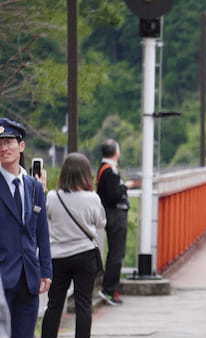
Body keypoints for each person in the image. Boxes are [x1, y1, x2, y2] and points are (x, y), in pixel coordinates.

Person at [41, 153, 106, 338]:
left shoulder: (53, 197)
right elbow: (101, 222)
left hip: (58, 257)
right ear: (86, 174)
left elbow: (47, 220)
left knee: (54, 305)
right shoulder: (92, 198)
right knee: (84, 305)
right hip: (85, 256)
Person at [0, 118, 52, 338]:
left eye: (9, 141)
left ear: (21, 146)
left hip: (29, 278)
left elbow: (42, 232)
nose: (3, 148)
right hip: (2, 278)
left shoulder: (33, 186)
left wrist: (46, 270)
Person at [96, 139, 129, 305]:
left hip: (112, 215)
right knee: (116, 253)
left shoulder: (105, 169)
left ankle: (110, 288)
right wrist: (124, 188)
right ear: (116, 152)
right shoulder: (108, 171)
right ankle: (108, 289)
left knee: (116, 253)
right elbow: (113, 196)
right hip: (114, 215)